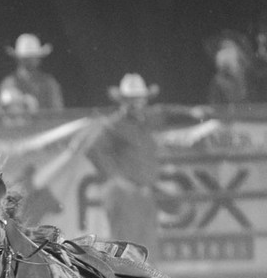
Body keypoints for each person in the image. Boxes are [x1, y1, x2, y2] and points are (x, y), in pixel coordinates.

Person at [73, 73, 207, 262]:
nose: (136, 103)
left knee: (146, 247)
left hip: (143, 192)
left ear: (144, 100)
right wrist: (117, 179)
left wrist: (191, 112)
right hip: (125, 194)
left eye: (139, 99)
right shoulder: (114, 125)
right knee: (127, 248)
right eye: (131, 99)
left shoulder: (147, 118)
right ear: (123, 101)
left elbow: (166, 111)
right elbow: (93, 149)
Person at [0, 33, 64, 113]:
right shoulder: (8, 83)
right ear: (18, 59)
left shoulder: (49, 83)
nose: (29, 62)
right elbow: (2, 115)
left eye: (32, 58)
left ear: (38, 59)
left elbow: (58, 113)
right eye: (25, 58)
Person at [204, 30, 253, 108]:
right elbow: (215, 108)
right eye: (222, 49)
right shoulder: (217, 82)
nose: (225, 54)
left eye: (229, 49)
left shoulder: (253, 78)